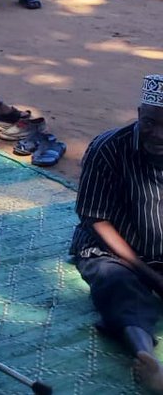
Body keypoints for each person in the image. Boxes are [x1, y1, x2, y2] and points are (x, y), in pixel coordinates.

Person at [71, 75, 163, 393]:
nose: (158, 134)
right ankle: (145, 357)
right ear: (139, 114)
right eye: (150, 122)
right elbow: (96, 220)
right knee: (117, 285)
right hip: (114, 251)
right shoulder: (108, 148)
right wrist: (150, 276)